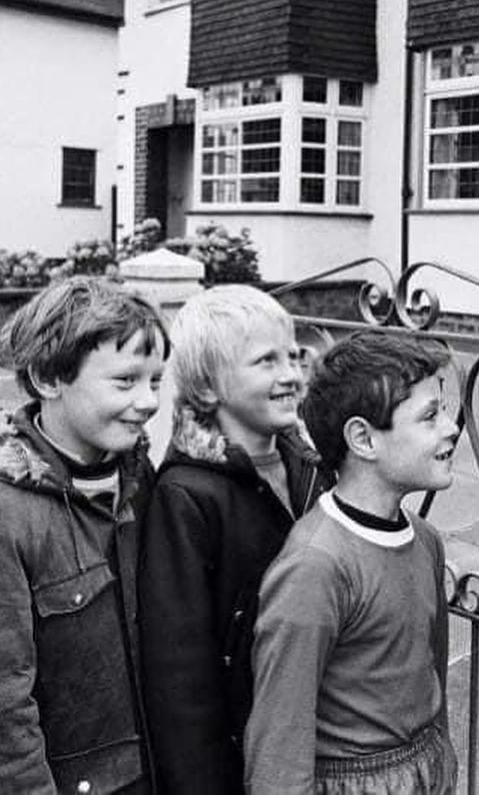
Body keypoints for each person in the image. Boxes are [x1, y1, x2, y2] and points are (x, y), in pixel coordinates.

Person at [245, 330, 459, 795]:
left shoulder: (425, 541)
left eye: (442, 409)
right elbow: (279, 743)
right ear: (363, 438)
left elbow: (432, 682)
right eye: (429, 417)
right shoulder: (315, 567)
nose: (450, 427)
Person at [139, 285, 332, 794]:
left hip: (319, 734)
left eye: (293, 357)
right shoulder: (186, 497)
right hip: (242, 751)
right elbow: (180, 676)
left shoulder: (310, 466)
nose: (291, 375)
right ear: (206, 389)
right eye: (265, 362)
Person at [0, 276, 169, 793]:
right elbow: (7, 700)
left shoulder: (144, 479)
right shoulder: (10, 512)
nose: (147, 402)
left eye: (156, 380)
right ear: (49, 378)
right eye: (125, 381)